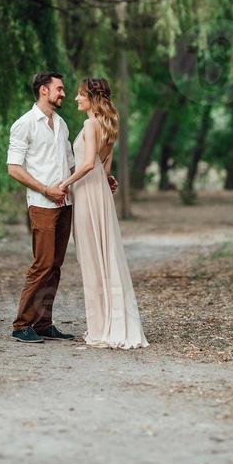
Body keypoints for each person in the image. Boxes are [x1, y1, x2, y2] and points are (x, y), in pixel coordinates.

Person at [7, 71, 117, 344]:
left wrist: (102, 179)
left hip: (66, 203)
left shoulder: (63, 125)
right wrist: (45, 189)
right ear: (44, 90)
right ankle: (22, 324)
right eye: (59, 89)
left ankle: (44, 323)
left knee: (55, 265)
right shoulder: (24, 124)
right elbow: (13, 168)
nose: (64, 94)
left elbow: (74, 165)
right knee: (42, 264)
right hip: (43, 204)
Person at [58, 77, 149, 350]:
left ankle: (102, 327)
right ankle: (109, 322)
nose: (76, 98)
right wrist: (105, 180)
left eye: (80, 94)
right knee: (104, 255)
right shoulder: (110, 123)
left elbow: (87, 164)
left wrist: (64, 183)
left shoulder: (89, 124)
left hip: (87, 194)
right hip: (100, 194)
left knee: (91, 258)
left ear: (92, 97)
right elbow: (104, 167)